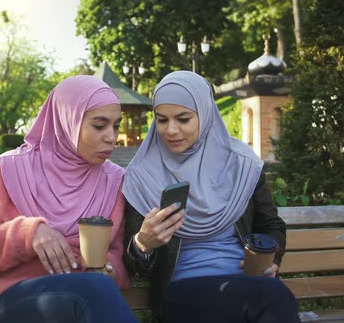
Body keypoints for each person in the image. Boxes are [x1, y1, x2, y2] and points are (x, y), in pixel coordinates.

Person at [0, 75, 138, 323]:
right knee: (94, 290)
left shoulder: (114, 180)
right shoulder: (8, 169)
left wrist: (110, 269)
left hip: (92, 297)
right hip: (23, 293)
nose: (111, 136)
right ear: (67, 121)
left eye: (116, 126)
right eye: (99, 125)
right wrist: (29, 234)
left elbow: (116, 253)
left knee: (95, 287)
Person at [122, 71, 300, 323]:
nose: (171, 130)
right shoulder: (142, 175)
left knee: (267, 296)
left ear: (205, 116)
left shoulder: (242, 165)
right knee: (272, 297)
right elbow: (132, 265)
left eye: (183, 119)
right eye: (161, 120)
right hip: (182, 292)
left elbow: (270, 226)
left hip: (249, 283)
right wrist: (143, 243)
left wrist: (272, 260)